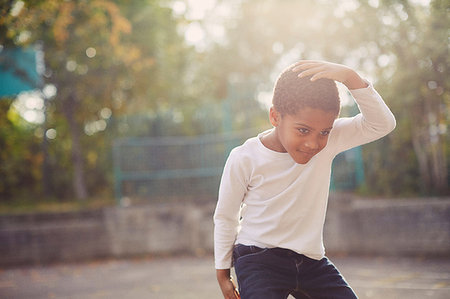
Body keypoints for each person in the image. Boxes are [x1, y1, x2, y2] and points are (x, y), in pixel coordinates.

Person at [213, 60, 396, 299]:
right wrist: (223, 275)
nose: (314, 143)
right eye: (302, 130)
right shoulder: (244, 158)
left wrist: (350, 78)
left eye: (324, 132)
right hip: (258, 260)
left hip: (311, 261)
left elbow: (382, 124)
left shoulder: (331, 141)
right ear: (275, 116)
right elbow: (226, 217)